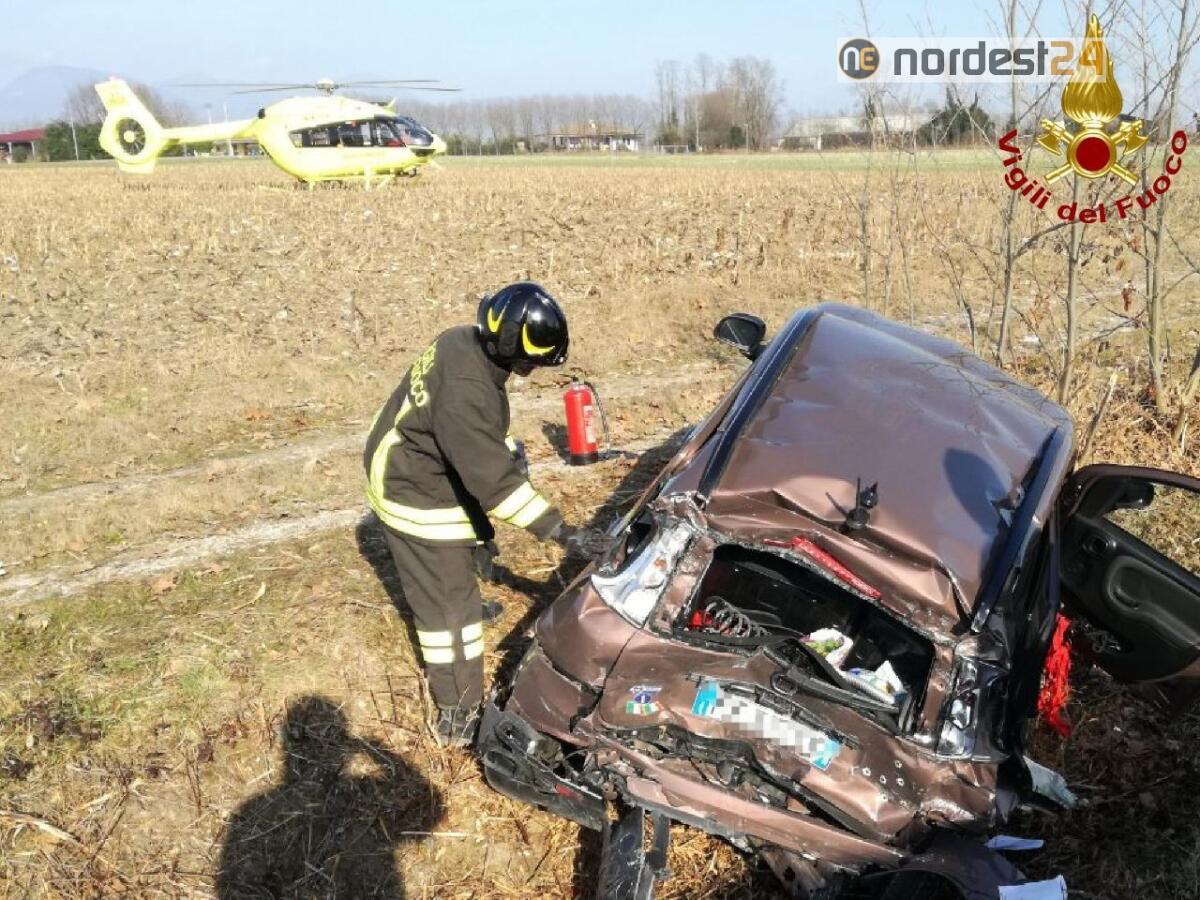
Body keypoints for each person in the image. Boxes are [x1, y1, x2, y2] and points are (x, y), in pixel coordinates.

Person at [363, 282, 596, 747]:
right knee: (451, 613)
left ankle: (464, 600)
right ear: (510, 346)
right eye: (527, 362)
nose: (528, 371)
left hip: (409, 455)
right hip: (414, 493)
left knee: (463, 569)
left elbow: (471, 446)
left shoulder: (459, 339)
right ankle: (457, 710)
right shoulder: (467, 396)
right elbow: (496, 486)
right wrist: (564, 533)